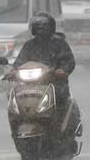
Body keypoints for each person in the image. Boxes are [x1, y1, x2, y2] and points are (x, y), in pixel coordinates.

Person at [11, 12, 81, 148]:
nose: (40, 30)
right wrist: (13, 71)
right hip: (30, 85)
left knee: (59, 97)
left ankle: (61, 129)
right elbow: (19, 62)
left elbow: (69, 61)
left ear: (51, 28)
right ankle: (17, 124)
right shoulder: (29, 45)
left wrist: (62, 70)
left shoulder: (59, 44)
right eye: (37, 27)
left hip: (54, 83)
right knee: (13, 95)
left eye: (43, 27)